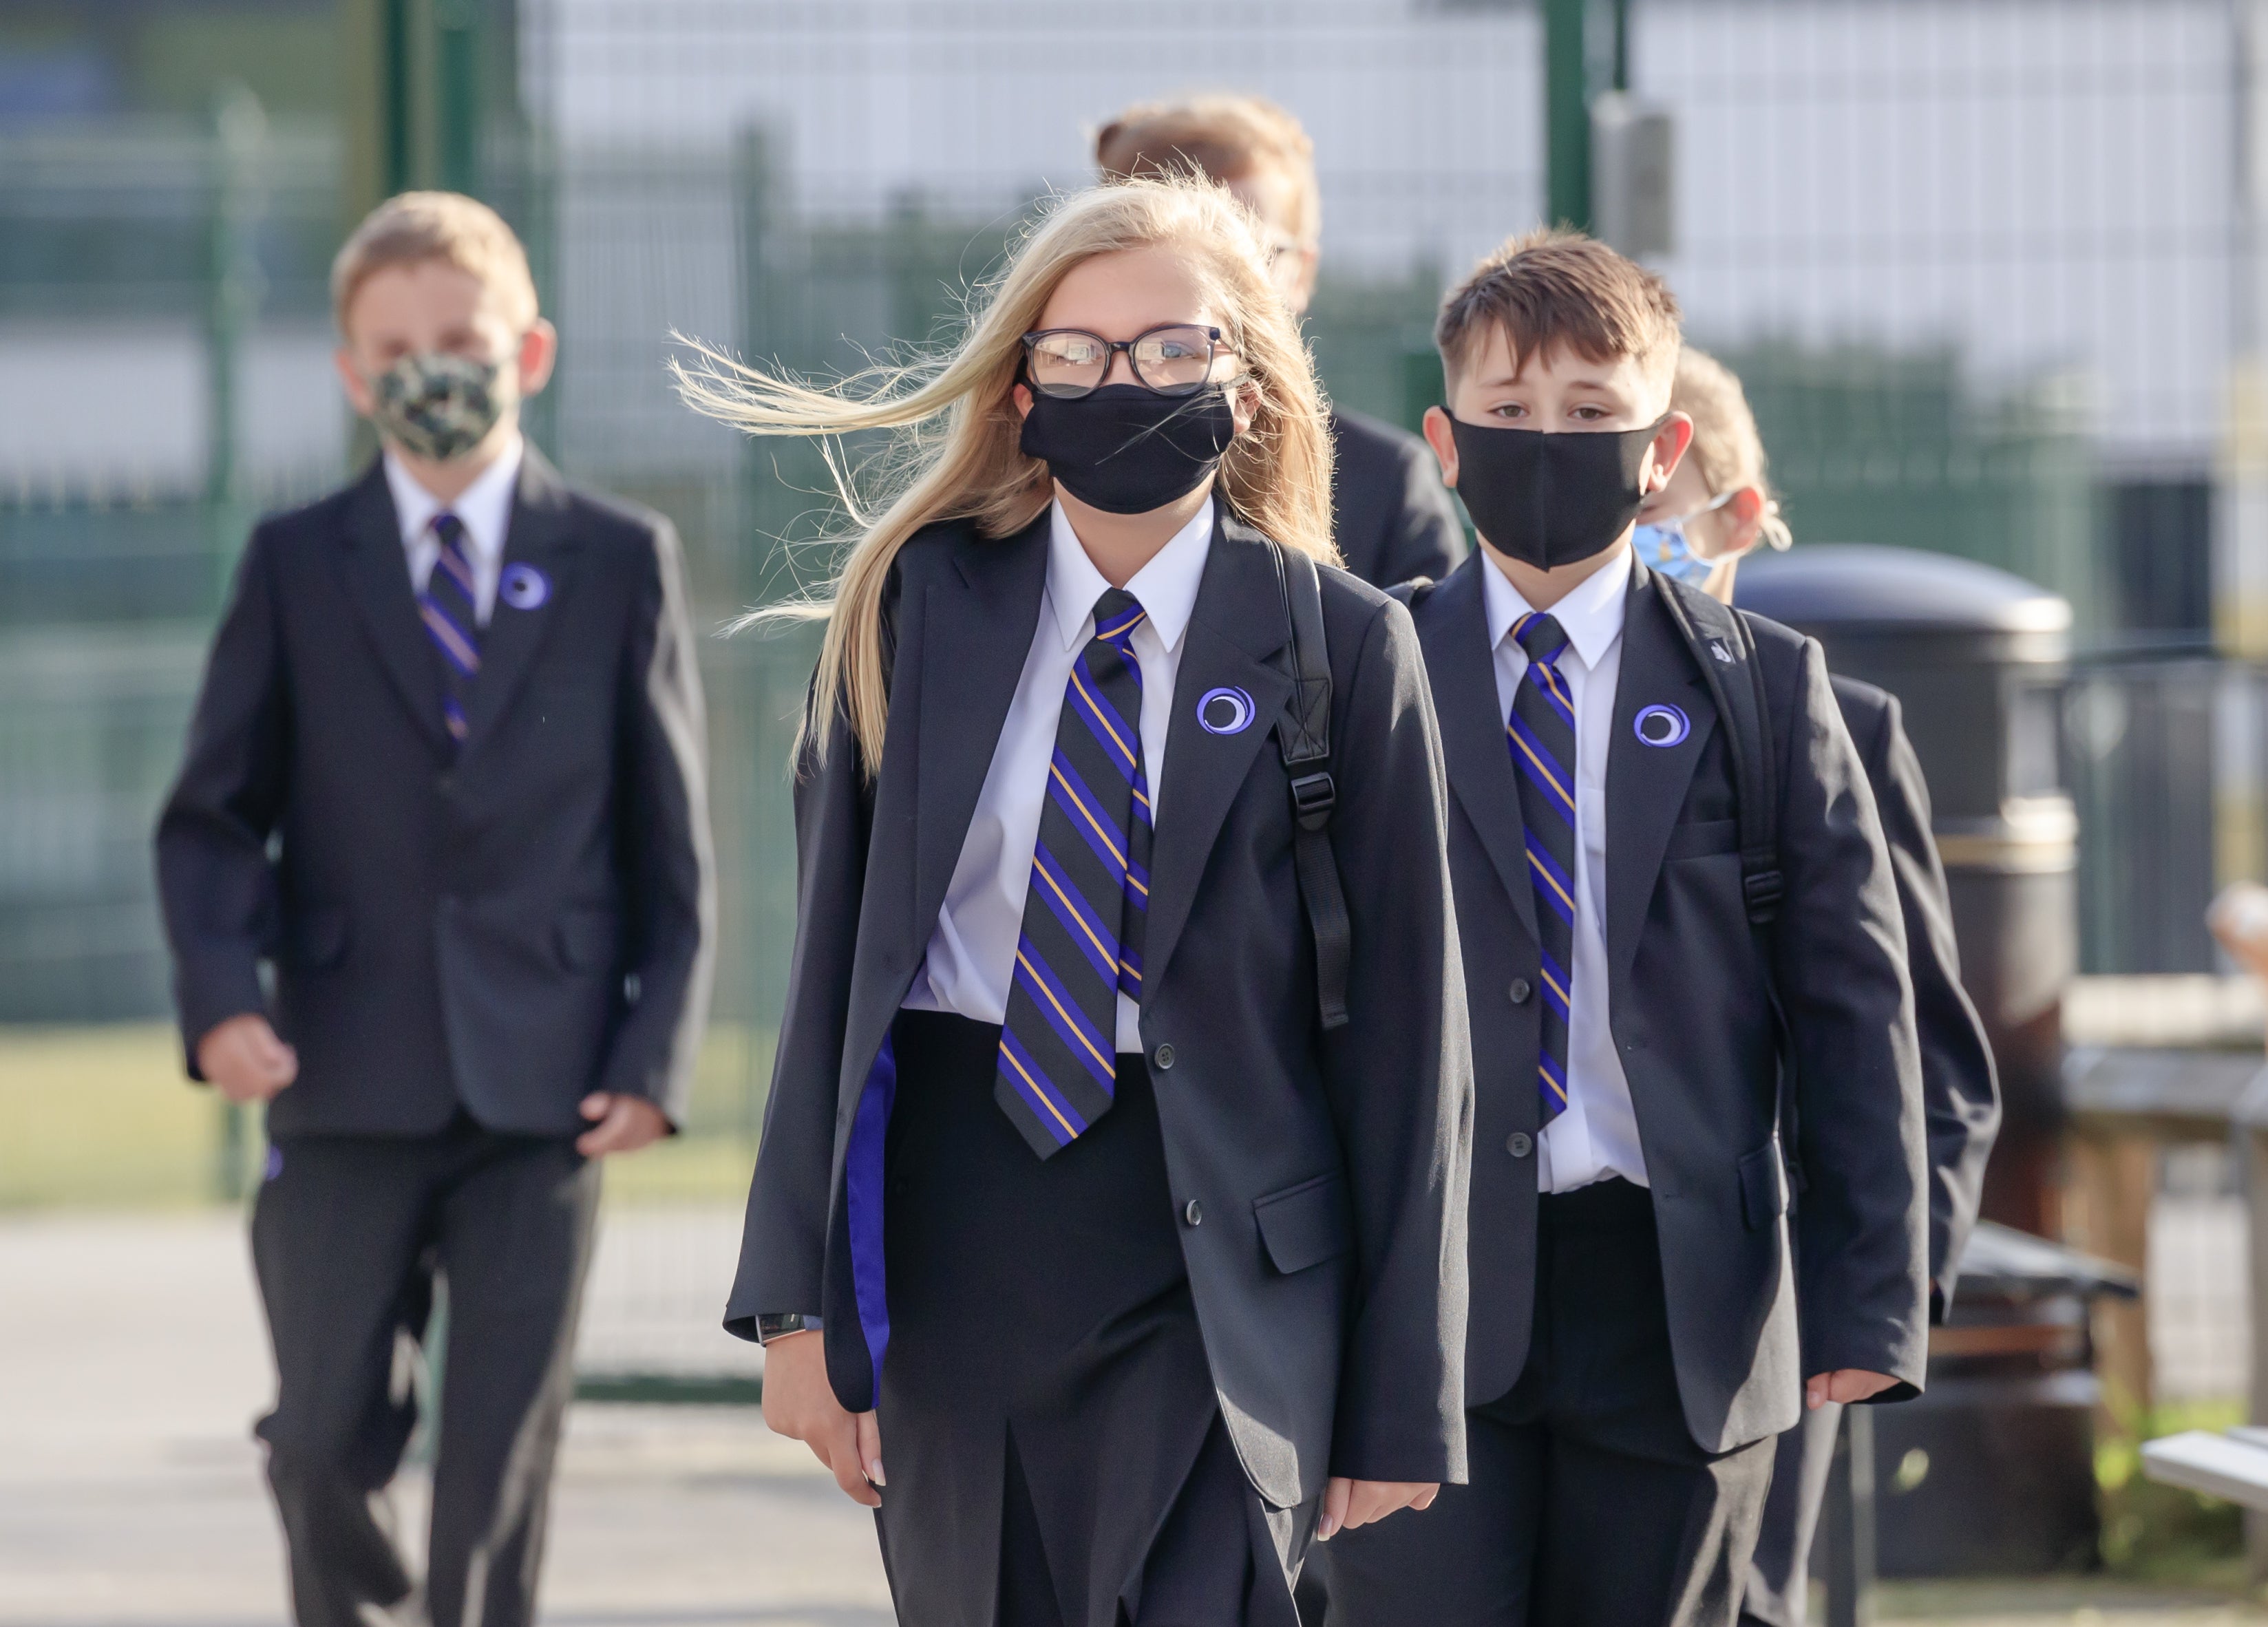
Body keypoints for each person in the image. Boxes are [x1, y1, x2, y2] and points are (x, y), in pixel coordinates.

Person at [681, 174, 1472, 1627]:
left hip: (1220, 1260)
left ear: (1248, 383)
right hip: (958, 1238)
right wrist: (794, 1309)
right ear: (1022, 391)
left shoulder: (1345, 648)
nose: (1124, 382)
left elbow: (1416, 1042)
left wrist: (1401, 1389)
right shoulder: (915, 606)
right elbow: (835, 979)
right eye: (1077, 354)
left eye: (1173, 349)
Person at [1317, 229, 1930, 1627]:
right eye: (1510, 410)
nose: (1549, 439)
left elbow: (1853, 1012)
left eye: (1593, 414)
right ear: (1446, 440)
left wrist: (1867, 1303)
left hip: (1677, 1310)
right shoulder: (1360, 671)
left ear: (1664, 448)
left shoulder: (1765, 689)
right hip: (1415, 1300)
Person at [153, 191, 715, 1627]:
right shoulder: (295, 564)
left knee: (499, 1457)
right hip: (340, 1073)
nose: (429, 368)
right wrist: (223, 996)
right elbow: (213, 815)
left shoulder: (616, 558)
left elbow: (673, 843)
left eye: (459, 338)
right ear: (351, 372)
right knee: (321, 1441)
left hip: (549, 1087)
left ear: (527, 351)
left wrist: (653, 1058)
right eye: (392, 347)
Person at [1638, 348, 2000, 1627]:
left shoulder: (1833, 717)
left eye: (1654, 515)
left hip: (1771, 1306)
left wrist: (1875, 1296)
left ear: (1737, 521)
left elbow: (1932, 1062)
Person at [1095, 94, 1466, 589]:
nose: (1217, 284)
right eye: (1172, 254)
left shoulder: (1385, 481)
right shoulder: (1055, 455)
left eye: (1253, 252)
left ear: (1302, 272)